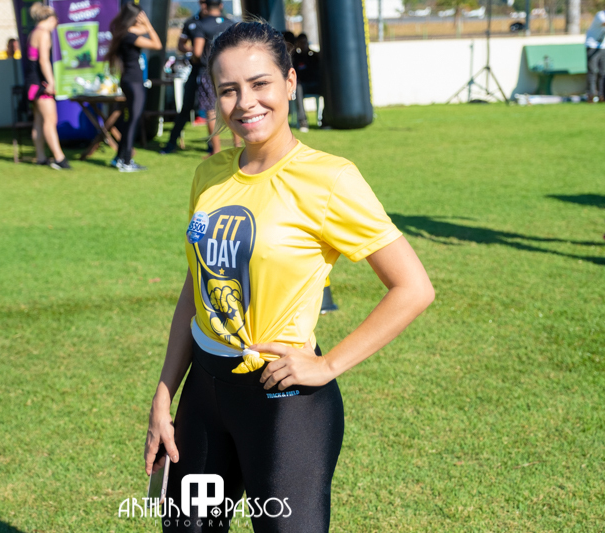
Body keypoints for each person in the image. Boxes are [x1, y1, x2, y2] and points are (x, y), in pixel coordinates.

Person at [143, 20, 435, 532]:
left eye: (260, 84)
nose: (246, 103)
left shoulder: (330, 178)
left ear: (290, 83)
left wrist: (328, 365)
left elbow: (413, 288)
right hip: (204, 395)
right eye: (229, 90)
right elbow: (197, 286)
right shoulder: (209, 176)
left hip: (283, 404)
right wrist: (165, 392)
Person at [105, 1, 162, 172]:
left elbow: (140, 31)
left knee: (130, 119)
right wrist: (148, 25)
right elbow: (157, 44)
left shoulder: (123, 33)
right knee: (133, 121)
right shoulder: (129, 36)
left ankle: (119, 158)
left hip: (128, 80)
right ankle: (126, 161)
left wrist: (144, 26)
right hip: (134, 81)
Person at [191, 0, 240, 156]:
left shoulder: (201, 25)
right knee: (235, 106)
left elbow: (197, 52)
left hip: (209, 71)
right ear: (221, 5)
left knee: (211, 111)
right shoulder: (231, 24)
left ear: (205, 6)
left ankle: (216, 150)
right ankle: (238, 146)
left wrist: (193, 59)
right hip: (231, 71)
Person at [25, 4, 70, 170]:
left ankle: (41, 157)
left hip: (31, 83)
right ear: (51, 19)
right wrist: (51, 82)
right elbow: (43, 60)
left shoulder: (33, 32)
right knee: (50, 120)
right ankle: (59, 158)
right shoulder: (43, 33)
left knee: (38, 120)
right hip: (40, 84)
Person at [159, 0, 207, 155]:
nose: (204, 5)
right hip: (196, 70)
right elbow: (181, 45)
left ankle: (216, 147)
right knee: (186, 107)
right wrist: (193, 50)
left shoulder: (221, 22)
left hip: (214, 72)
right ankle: (171, 143)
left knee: (214, 110)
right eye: (203, 2)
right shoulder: (191, 22)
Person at [292, 32, 319, 131]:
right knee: (297, 87)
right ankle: (302, 121)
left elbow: (321, 59)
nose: (303, 45)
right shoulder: (295, 57)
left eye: (305, 42)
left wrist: (310, 51)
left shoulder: (312, 56)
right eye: (301, 43)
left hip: (314, 84)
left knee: (326, 86)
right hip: (302, 86)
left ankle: (326, 120)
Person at [585, 9, 605, 103]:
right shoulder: (600, 15)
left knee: (603, 72)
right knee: (592, 71)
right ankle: (591, 95)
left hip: (602, 47)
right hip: (592, 45)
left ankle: (602, 95)